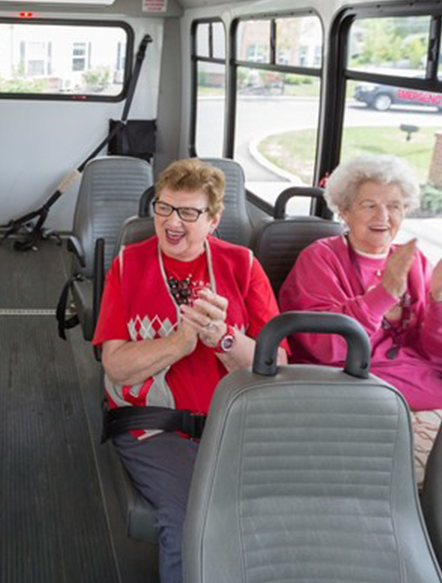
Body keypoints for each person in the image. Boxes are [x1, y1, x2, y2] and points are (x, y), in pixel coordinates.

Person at [93, 159, 285, 583]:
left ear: (214, 220)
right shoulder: (129, 265)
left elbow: (278, 363)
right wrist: (179, 343)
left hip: (235, 422)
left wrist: (225, 340)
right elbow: (117, 366)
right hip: (156, 427)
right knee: (187, 521)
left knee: (274, 514)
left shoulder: (243, 265)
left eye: (188, 212)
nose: (171, 222)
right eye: (163, 208)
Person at [279, 153, 442, 483]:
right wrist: (384, 293)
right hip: (352, 397)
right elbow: (326, 348)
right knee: (433, 481)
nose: (383, 216)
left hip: (429, 398)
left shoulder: (414, 260)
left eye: (395, 206)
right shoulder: (320, 258)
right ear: (344, 211)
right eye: (369, 205)